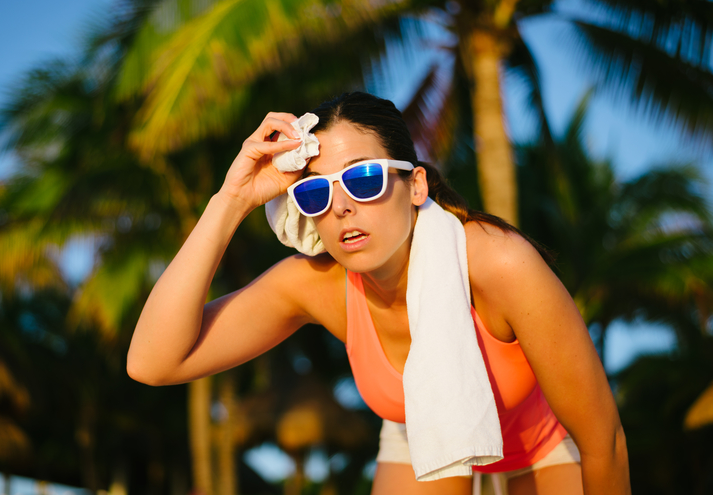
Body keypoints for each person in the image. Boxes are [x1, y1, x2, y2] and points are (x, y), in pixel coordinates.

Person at [127, 92, 631, 495]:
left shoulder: (499, 263)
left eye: (363, 178)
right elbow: (152, 362)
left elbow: (603, 440)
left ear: (416, 186)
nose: (341, 206)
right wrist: (231, 199)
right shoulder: (316, 286)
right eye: (315, 192)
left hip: (541, 445)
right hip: (424, 436)